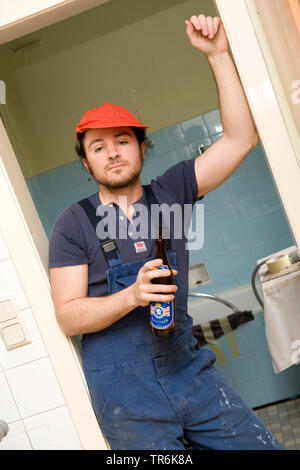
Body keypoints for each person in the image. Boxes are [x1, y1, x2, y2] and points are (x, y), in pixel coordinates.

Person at [49, 14, 283, 450]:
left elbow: (240, 138)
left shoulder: (171, 191)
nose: (112, 153)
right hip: (125, 398)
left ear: (142, 146)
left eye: (122, 140)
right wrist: (131, 296)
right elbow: (67, 315)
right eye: (98, 147)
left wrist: (218, 55)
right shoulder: (73, 223)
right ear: (87, 163)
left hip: (189, 371)